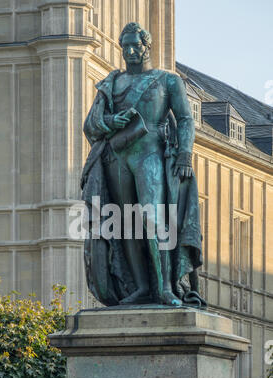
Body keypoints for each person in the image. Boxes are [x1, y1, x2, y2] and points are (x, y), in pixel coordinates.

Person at [82, 22, 205, 308]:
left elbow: (185, 119)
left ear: (147, 46)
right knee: (125, 224)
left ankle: (164, 288)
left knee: (152, 219)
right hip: (117, 157)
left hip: (150, 154)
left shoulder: (167, 80)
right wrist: (111, 121)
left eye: (136, 46)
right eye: (125, 47)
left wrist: (185, 154)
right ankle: (139, 286)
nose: (130, 51)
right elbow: (91, 124)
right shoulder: (112, 82)